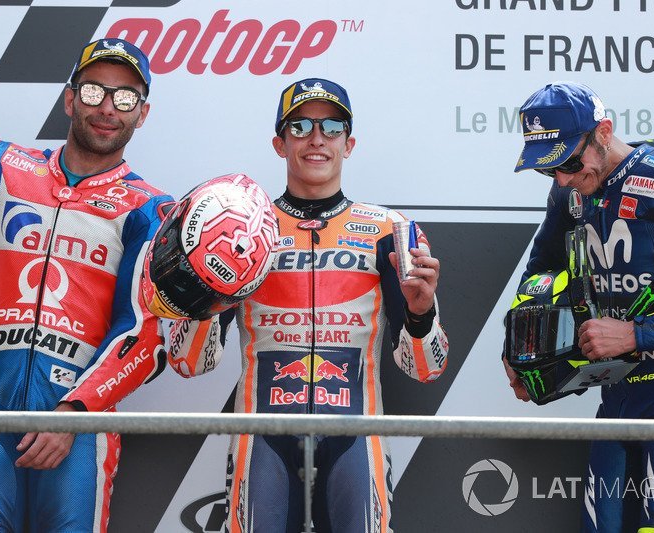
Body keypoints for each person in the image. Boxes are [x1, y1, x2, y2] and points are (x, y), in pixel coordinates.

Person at [0, 37, 172, 531]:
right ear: (69, 99)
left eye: (125, 97)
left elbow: (144, 334)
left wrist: (75, 412)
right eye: (93, 91)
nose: (107, 108)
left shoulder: (149, 210)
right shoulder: (3, 166)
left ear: (143, 113)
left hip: (79, 422)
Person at [165, 78, 449, 532]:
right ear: (280, 143)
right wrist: (203, 296)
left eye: (331, 127)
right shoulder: (240, 227)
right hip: (263, 440)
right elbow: (188, 362)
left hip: (356, 438)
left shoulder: (390, 230)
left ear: (348, 143)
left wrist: (421, 313)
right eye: (300, 127)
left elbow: (427, 369)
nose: (317, 138)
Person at [506, 81, 654, 532]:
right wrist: (518, 348)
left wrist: (637, 334)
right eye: (547, 169)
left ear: (604, 132)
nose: (562, 179)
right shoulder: (568, 194)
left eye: (569, 162)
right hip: (618, 390)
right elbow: (541, 270)